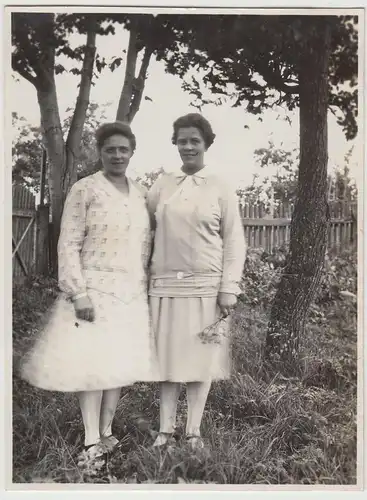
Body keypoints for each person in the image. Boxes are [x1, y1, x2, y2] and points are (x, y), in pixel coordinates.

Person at [21, 121, 158, 466]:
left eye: (123, 149)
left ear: (132, 153)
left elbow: (144, 248)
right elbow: (67, 243)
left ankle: (108, 430)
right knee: (93, 364)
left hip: (130, 291)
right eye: (110, 149)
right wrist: (77, 292)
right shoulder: (85, 189)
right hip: (94, 289)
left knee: (117, 364)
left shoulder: (141, 194)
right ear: (99, 152)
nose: (117, 155)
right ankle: (90, 439)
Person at [147, 113, 246, 450]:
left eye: (194, 141)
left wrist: (229, 287)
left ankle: (193, 431)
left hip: (206, 286)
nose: (188, 146)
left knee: (200, 359)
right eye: (182, 140)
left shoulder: (220, 186)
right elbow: (147, 229)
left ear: (206, 144)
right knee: (168, 360)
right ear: (175, 143)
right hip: (164, 286)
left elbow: (234, 240)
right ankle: (165, 430)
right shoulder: (162, 184)